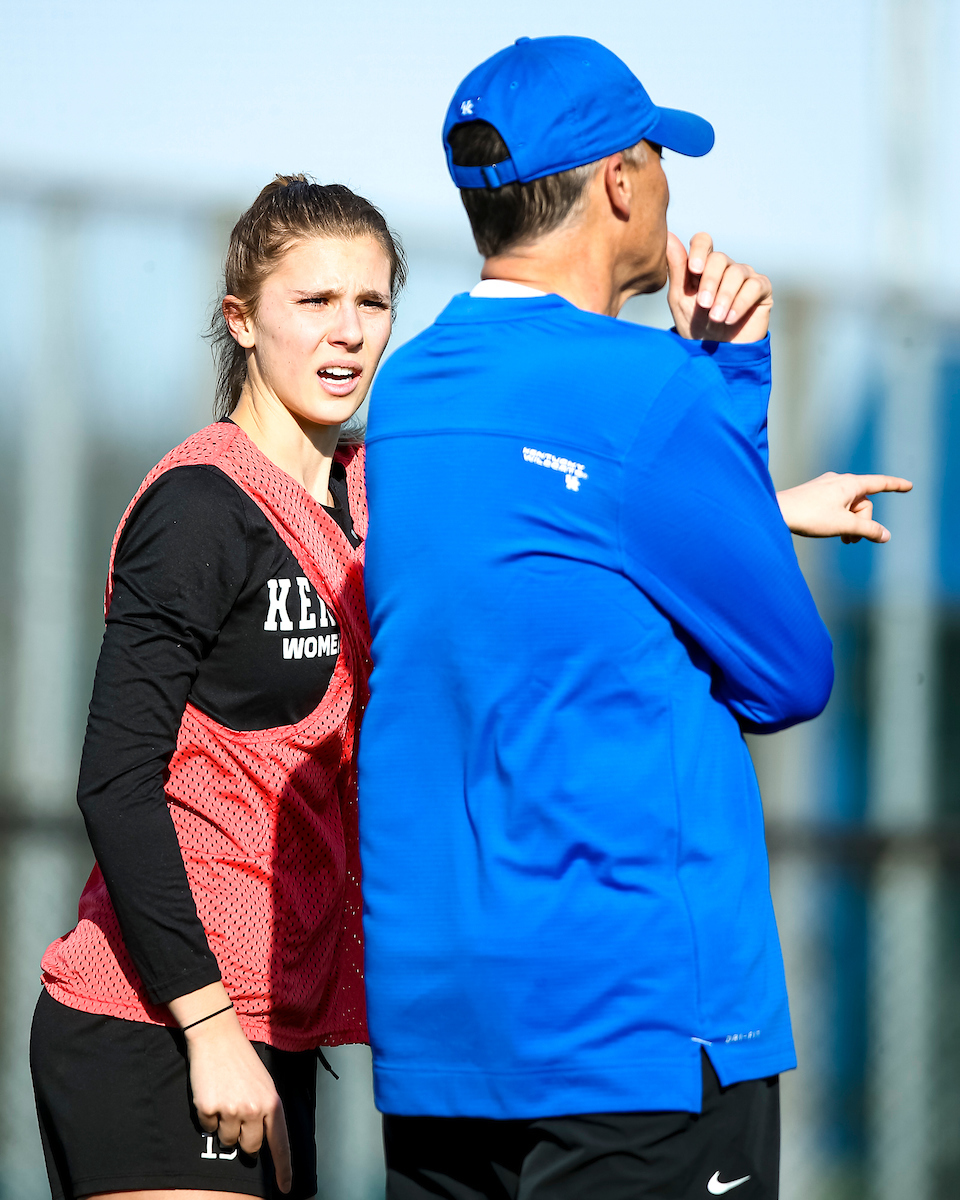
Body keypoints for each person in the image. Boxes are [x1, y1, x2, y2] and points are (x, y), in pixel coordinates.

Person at [357, 36, 911, 1200]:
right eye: (659, 155)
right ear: (619, 181)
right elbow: (783, 672)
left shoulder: (402, 397)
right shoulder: (651, 390)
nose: (667, 185)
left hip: (445, 1034)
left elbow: (568, 557)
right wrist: (730, 380)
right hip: (636, 1026)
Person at [31, 175, 404, 1200]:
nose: (348, 334)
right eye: (313, 302)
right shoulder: (201, 506)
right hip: (160, 1023)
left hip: (279, 1029)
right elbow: (113, 779)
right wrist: (206, 1025)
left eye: (371, 303)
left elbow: (537, 525)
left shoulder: (375, 489)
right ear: (242, 320)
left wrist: (761, 511)